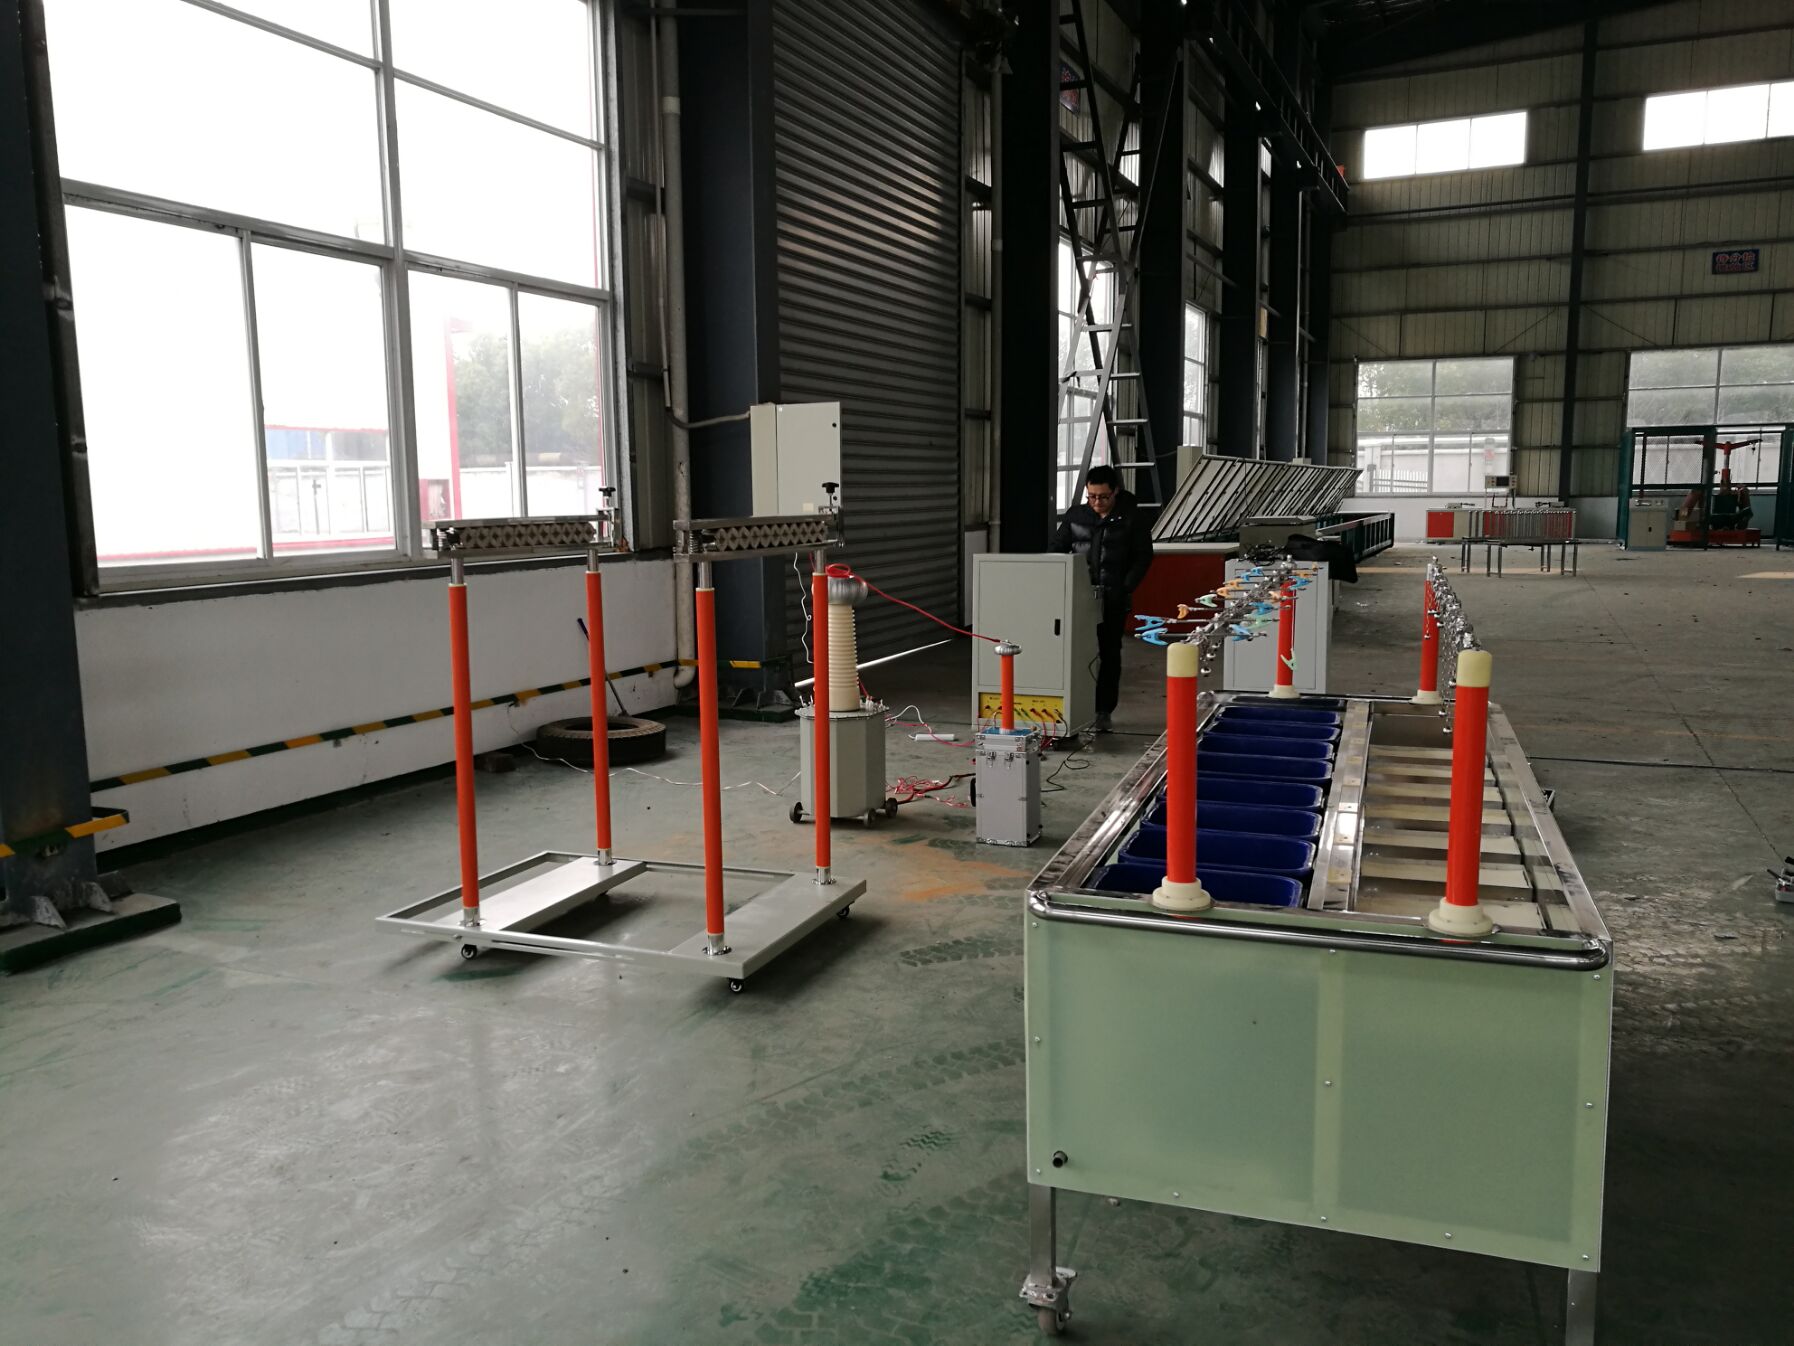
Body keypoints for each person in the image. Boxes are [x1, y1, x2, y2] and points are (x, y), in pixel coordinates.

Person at [1054, 465, 1154, 732]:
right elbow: (1057, 549)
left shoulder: (1131, 518)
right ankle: (1074, 707)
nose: (1097, 502)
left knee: (1109, 654)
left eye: (1103, 497)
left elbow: (1143, 557)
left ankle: (1103, 710)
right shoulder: (1076, 516)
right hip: (1079, 599)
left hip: (1113, 600)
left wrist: (1125, 587)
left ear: (1115, 492)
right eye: (1092, 496)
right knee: (1074, 653)